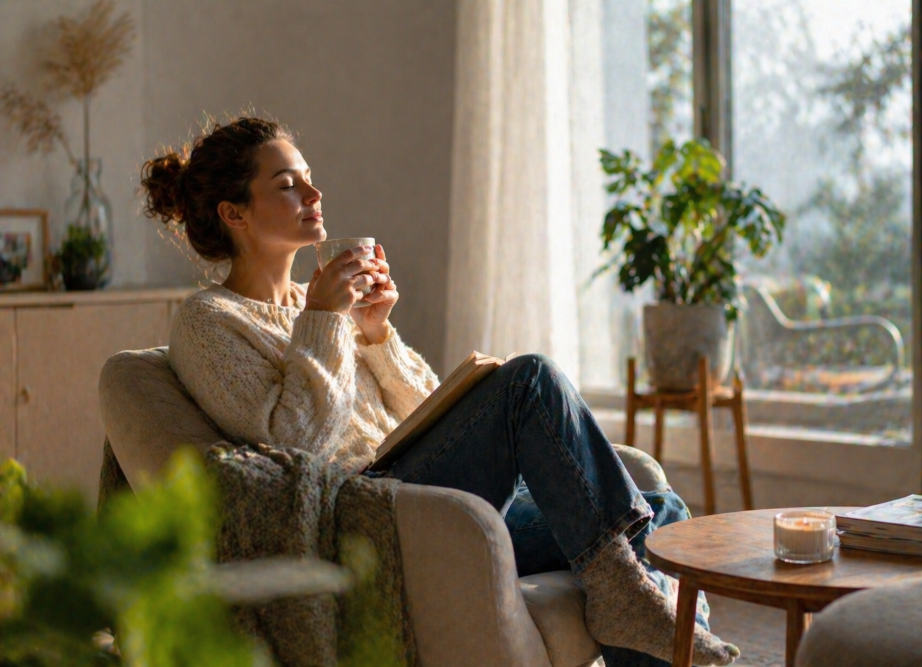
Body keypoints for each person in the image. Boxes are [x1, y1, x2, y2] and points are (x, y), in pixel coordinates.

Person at [141, 116, 739, 667]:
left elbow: (427, 414)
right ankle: (624, 598)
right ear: (234, 214)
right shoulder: (208, 320)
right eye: (288, 184)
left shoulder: (320, 305)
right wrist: (325, 320)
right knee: (530, 380)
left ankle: (628, 605)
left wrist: (375, 335)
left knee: (656, 516)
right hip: (367, 514)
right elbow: (294, 445)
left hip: (425, 495)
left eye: (310, 180)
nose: (314, 196)